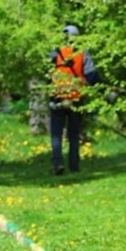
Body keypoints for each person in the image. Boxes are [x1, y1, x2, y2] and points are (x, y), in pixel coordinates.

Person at [47, 24, 100, 175]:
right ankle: (74, 165)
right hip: (76, 97)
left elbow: (47, 72)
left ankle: (57, 164)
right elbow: (92, 76)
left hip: (57, 97)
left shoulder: (55, 53)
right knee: (74, 134)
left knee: (56, 134)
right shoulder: (83, 53)